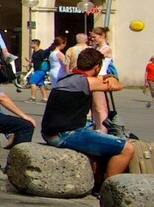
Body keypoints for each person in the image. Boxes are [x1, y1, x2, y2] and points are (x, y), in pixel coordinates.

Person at [41, 48, 137, 188]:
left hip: (50, 132)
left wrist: (107, 78)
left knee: (99, 139)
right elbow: (117, 86)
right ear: (97, 67)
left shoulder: (67, 77)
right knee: (127, 149)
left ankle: (97, 180)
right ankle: (108, 188)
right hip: (66, 134)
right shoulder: (85, 82)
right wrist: (111, 78)